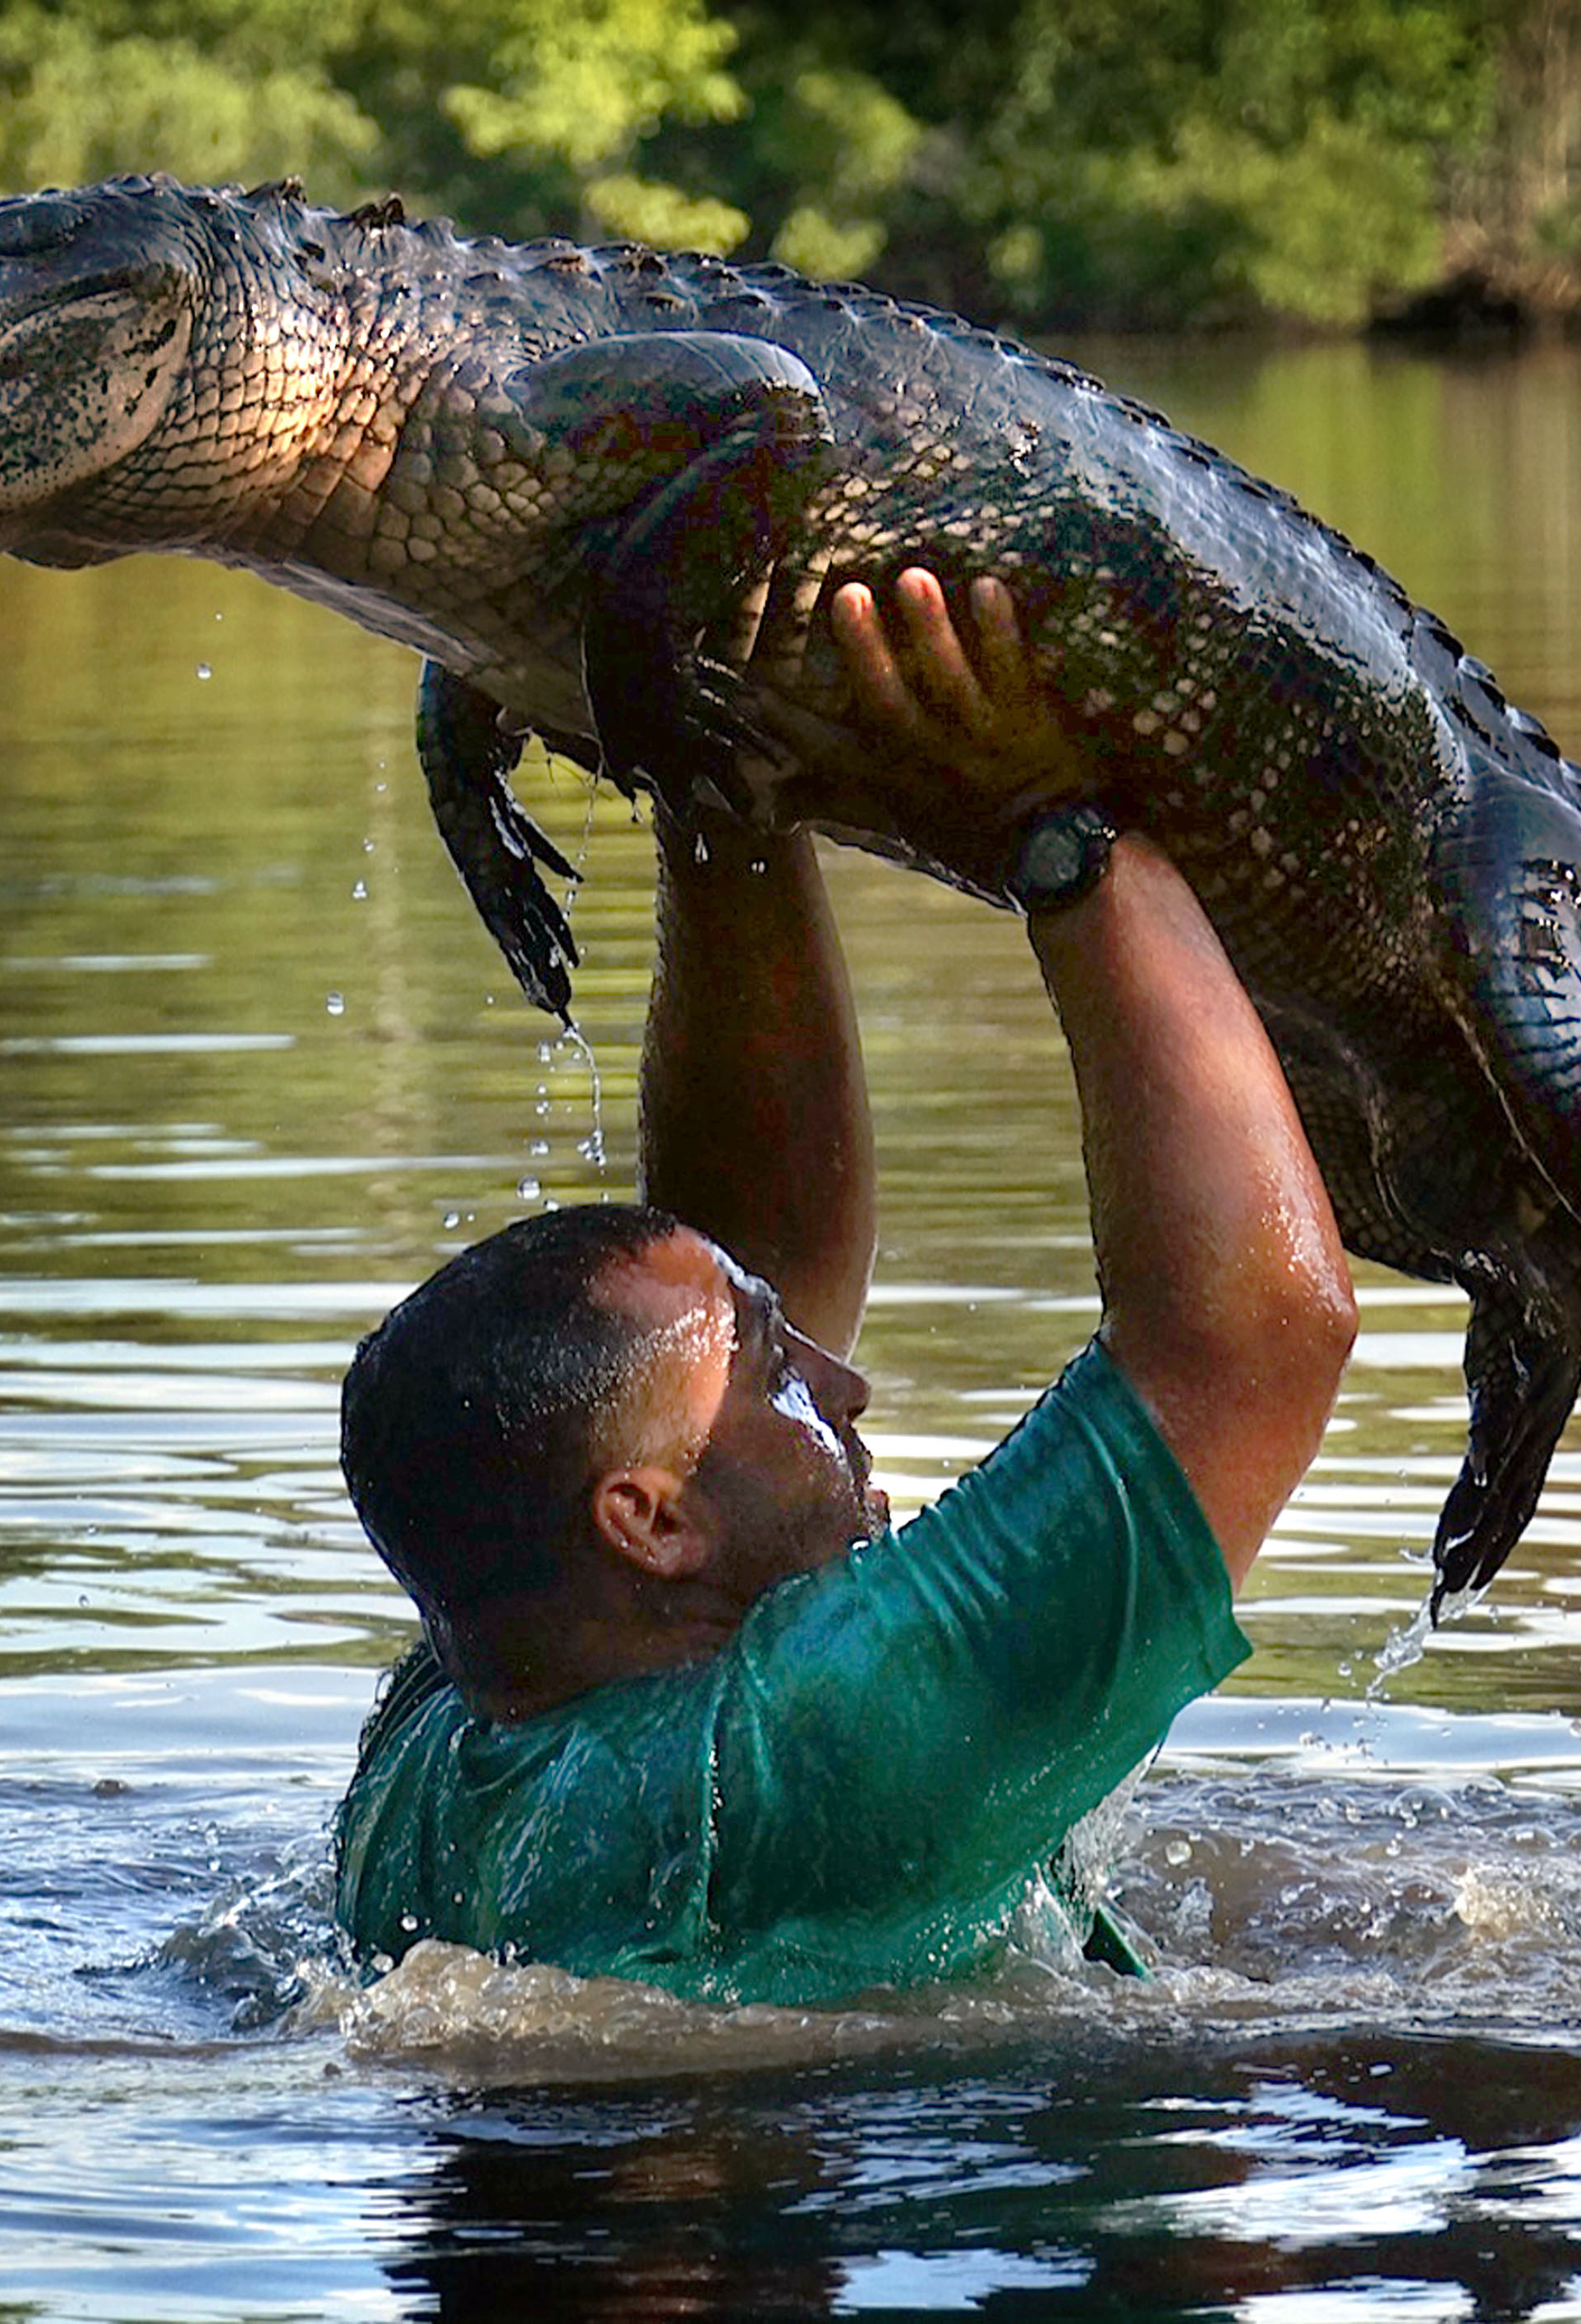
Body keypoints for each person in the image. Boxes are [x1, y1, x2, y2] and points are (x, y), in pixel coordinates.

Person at [332, 569, 1355, 2005]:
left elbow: (727, 1273)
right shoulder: (808, 1749)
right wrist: (1059, 825)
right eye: (777, 1374)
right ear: (648, 1520)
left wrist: (713, 781)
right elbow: (1252, 1333)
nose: (844, 1381)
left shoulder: (448, 1735)